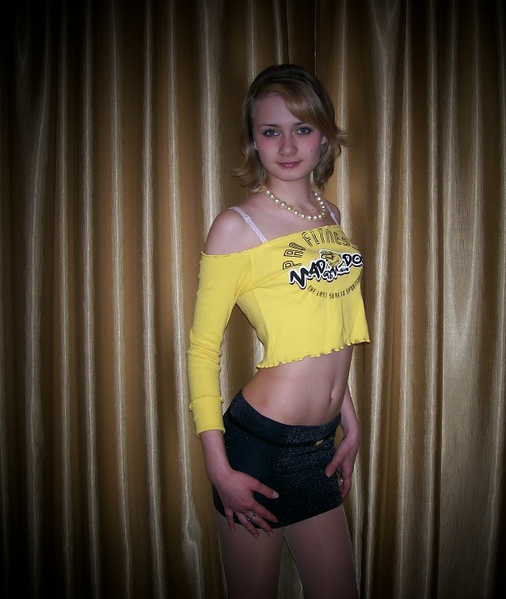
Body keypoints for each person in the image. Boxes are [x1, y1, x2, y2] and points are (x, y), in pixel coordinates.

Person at [187, 64, 369, 599]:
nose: (288, 146)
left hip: (319, 446)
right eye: (271, 131)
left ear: (324, 136)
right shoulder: (236, 226)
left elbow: (329, 331)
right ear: (253, 140)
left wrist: (350, 422)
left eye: (302, 128)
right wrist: (219, 470)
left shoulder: (331, 215)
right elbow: (202, 351)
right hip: (259, 448)